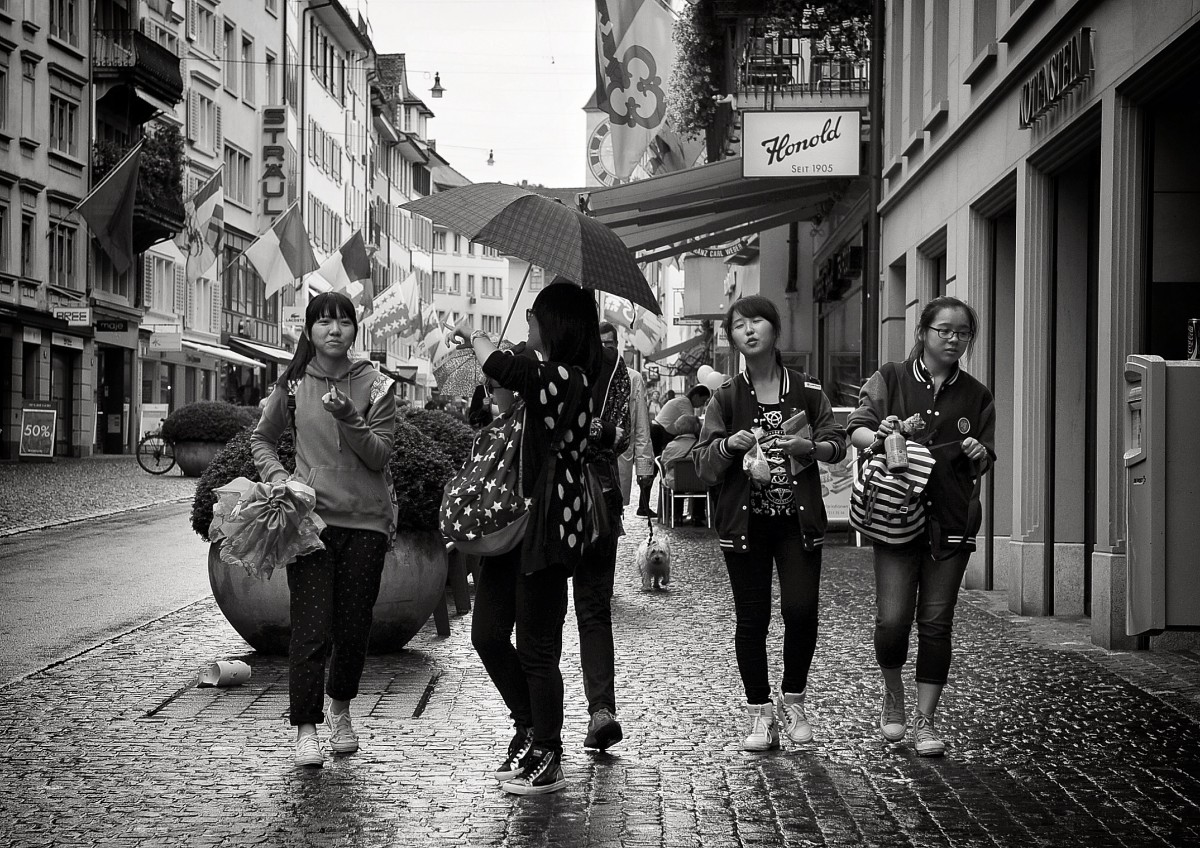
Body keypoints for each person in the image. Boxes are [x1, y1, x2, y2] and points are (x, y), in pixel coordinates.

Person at [454, 280, 600, 796]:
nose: (528, 325)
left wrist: (476, 335)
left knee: (537, 647)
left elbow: (504, 367)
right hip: (512, 524)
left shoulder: (568, 379)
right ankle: (529, 724)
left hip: (547, 529)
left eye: (534, 317)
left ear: (555, 324)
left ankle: (548, 751)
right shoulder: (544, 377)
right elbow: (502, 383)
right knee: (488, 634)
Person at [250, 291, 398, 769]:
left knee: (354, 629)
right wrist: (279, 479)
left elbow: (379, 454)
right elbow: (262, 439)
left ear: (356, 330)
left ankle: (340, 710)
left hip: (367, 523)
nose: (334, 330)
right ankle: (306, 728)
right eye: (323, 322)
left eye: (344, 322)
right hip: (309, 523)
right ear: (309, 330)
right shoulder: (292, 384)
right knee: (312, 629)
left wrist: (348, 417)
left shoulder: (377, 385)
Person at [694, 295, 846, 751]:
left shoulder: (808, 390)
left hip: (797, 524)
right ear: (733, 338)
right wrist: (728, 447)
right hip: (746, 527)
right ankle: (760, 712)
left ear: (775, 330)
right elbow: (702, 464)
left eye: (758, 321)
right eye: (739, 325)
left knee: (801, 611)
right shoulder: (725, 398)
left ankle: (794, 700)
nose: (749, 329)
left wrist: (811, 450)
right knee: (752, 619)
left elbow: (837, 444)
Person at [846, 296, 995, 757]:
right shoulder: (890, 378)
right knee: (892, 621)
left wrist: (979, 454)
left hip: (952, 519)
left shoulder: (977, 394)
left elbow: (986, 455)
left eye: (963, 333)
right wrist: (884, 434)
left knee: (935, 622)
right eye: (944, 330)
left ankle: (926, 721)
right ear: (923, 332)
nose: (953, 339)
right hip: (895, 518)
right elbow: (857, 428)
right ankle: (893, 696)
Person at [574, 320, 631, 752]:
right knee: (550, 612)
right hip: (557, 500)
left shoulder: (612, 368)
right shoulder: (528, 364)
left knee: (592, 607)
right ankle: (540, 722)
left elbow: (620, 434)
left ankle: (600, 711)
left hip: (594, 497)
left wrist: (581, 425)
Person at [602, 324, 656, 520]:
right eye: (600, 343)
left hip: (620, 461)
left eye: (608, 344)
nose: (604, 348)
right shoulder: (589, 374)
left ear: (616, 345)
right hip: (593, 463)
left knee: (614, 518)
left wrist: (644, 470)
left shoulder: (633, 378)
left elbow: (641, 429)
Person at [660, 413, 704, 524]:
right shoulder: (701, 445)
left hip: (676, 483)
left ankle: (675, 515)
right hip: (699, 482)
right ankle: (698, 515)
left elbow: (664, 462)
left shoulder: (671, 446)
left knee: (674, 480)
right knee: (700, 483)